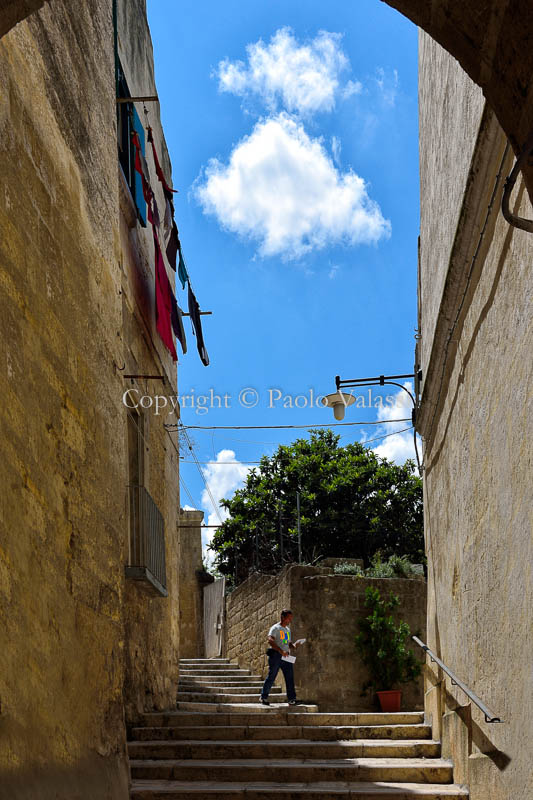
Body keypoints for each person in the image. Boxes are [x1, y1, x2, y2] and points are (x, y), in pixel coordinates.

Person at [260, 609, 303, 706]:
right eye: (288, 618)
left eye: (291, 618)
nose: (290, 620)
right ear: (282, 617)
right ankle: (263, 697)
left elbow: (287, 642)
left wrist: (294, 645)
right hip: (276, 655)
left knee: (290, 678)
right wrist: (280, 651)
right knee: (272, 676)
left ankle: (292, 699)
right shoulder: (275, 628)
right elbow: (270, 640)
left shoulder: (287, 630)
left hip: (286, 656)